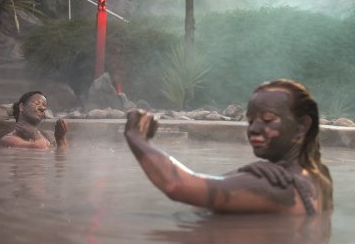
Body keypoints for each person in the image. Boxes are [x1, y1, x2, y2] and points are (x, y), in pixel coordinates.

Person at [124, 79, 332, 215]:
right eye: (251, 121)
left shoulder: (276, 184)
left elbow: (176, 186)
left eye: (268, 120)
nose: (254, 129)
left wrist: (136, 137)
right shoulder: (317, 175)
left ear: (302, 126)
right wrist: (239, 177)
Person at [0, 91, 68, 150]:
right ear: (21, 107)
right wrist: (34, 133)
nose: (42, 108)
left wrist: (60, 138)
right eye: (37, 103)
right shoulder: (9, 140)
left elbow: (62, 156)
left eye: (44, 106)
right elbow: (42, 149)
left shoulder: (48, 135)